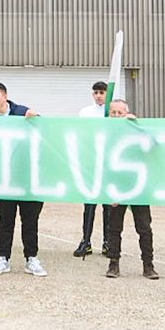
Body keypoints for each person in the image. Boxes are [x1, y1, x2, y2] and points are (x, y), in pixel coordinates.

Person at [0, 82, 45, 277]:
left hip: (27, 179)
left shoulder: (21, 112)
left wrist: (36, 119)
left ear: (5, 96)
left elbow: (44, 129)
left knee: (30, 221)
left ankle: (31, 258)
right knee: (5, 221)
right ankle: (3, 258)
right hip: (5, 180)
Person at [101, 98, 158, 280]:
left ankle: (148, 265)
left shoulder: (136, 131)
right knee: (114, 228)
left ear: (127, 113)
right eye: (113, 113)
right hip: (117, 187)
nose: (117, 116)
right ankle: (113, 264)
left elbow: (154, 144)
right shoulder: (106, 133)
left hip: (139, 186)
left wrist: (137, 126)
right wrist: (107, 190)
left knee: (144, 228)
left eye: (120, 113)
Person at [74, 80, 108, 258]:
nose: (98, 96)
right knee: (89, 205)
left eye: (102, 93)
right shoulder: (85, 112)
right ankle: (86, 241)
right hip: (91, 162)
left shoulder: (111, 112)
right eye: (96, 93)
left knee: (108, 206)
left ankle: (108, 241)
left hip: (108, 164)